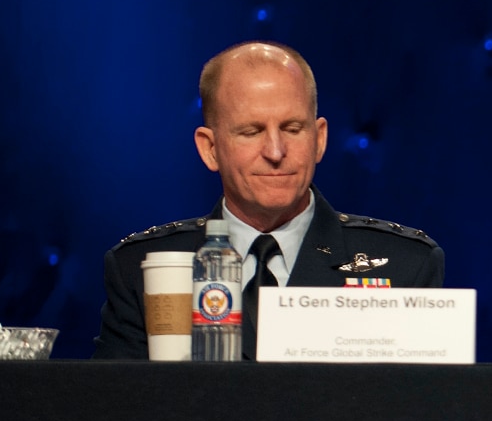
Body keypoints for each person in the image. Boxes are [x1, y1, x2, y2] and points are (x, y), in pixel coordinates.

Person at [93, 42, 444, 360]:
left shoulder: (404, 266)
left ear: (319, 139)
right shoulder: (141, 269)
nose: (276, 152)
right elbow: (118, 417)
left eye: (293, 129)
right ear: (210, 148)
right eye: (251, 132)